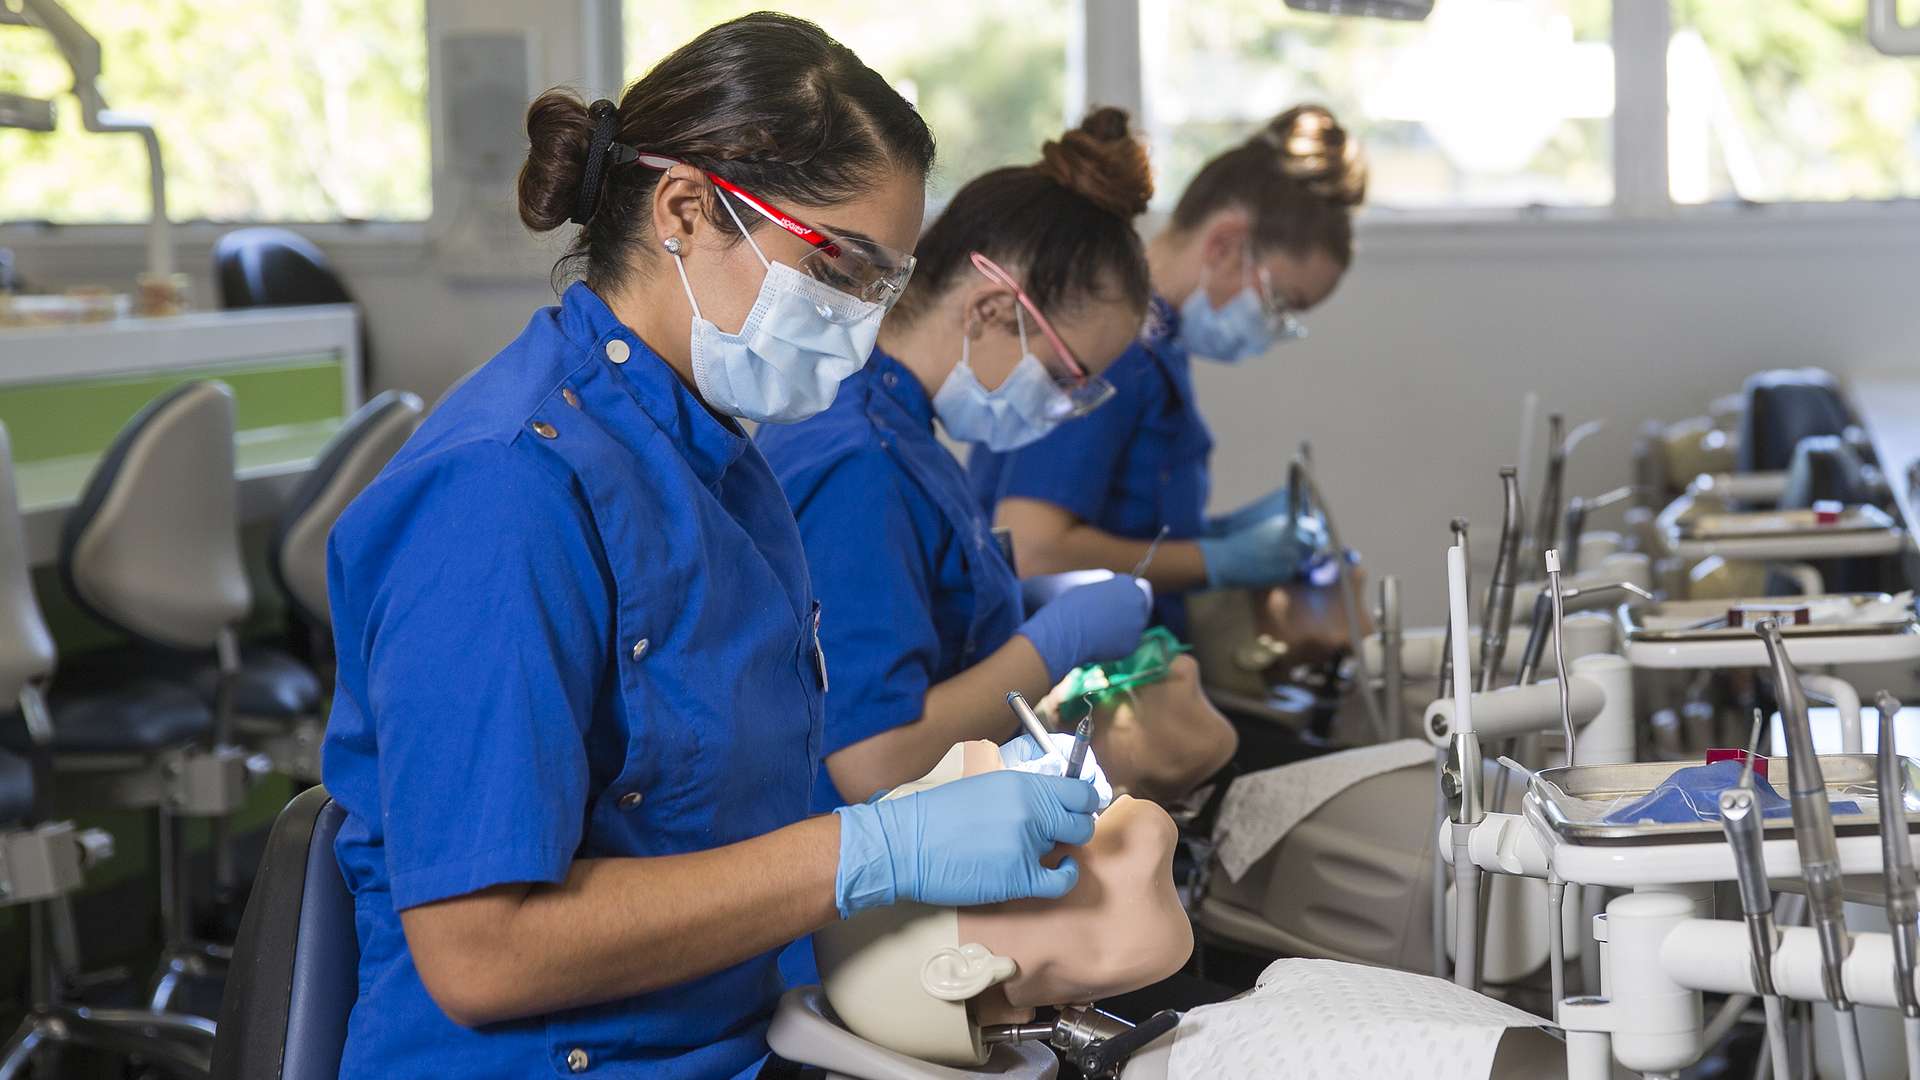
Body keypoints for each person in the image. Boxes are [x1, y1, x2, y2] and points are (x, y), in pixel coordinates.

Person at [320, 16, 1103, 1078]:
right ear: (686, 208)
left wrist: (944, 807)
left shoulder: (715, 463)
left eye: (884, 282)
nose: (864, 323)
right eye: (840, 266)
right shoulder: (503, 489)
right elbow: (481, 951)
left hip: (741, 1029)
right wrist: (873, 852)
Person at [757, 109, 1157, 815]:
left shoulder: (898, 424)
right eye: (1066, 376)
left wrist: (1017, 604)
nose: (1064, 405)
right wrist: (1054, 641)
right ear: (991, 311)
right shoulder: (859, 460)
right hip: (835, 861)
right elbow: (874, 764)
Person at [968, 105, 1368, 639]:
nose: (1276, 327)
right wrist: (1216, 559)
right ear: (1224, 244)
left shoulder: (1160, 348)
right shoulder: (1115, 349)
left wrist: (1218, 535)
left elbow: (1121, 519)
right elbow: (1032, 549)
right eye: (1280, 302)